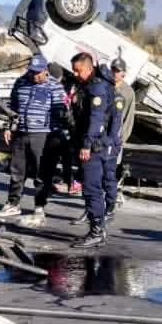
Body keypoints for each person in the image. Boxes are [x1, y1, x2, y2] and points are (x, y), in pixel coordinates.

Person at [0, 55, 65, 220]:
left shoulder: (55, 86)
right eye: (32, 72)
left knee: (41, 172)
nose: (35, 76)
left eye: (38, 73)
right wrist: (8, 127)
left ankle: (39, 207)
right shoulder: (21, 82)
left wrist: (55, 136)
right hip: (21, 132)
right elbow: (12, 107)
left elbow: (60, 112)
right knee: (17, 170)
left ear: (45, 70)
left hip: (42, 135)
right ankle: (13, 204)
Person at [69, 52, 121, 248]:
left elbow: (96, 119)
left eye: (78, 70)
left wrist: (87, 144)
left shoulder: (97, 88)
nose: (75, 74)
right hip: (97, 144)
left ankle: (96, 232)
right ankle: (97, 230)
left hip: (95, 146)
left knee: (92, 189)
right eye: (74, 71)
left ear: (89, 68)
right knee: (92, 188)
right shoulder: (95, 85)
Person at [30, 62, 74, 224]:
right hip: (56, 135)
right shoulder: (61, 90)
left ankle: (40, 203)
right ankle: (68, 182)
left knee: (43, 171)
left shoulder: (38, 88)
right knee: (49, 170)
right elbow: (67, 115)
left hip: (43, 134)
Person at [110, 57, 136, 211]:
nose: (115, 73)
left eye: (118, 71)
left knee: (113, 168)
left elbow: (129, 117)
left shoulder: (128, 92)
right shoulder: (105, 86)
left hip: (117, 136)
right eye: (113, 70)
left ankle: (111, 197)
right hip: (102, 135)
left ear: (124, 73)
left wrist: (122, 138)